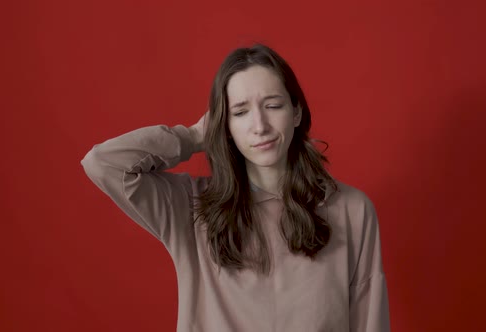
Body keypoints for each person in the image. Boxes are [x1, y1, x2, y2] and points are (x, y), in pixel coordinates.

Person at [81, 44, 390, 331]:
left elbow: (369, 320)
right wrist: (193, 136)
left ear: (296, 112)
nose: (260, 126)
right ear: (224, 126)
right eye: (240, 112)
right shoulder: (191, 206)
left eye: (273, 105)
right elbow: (104, 163)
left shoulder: (352, 209)